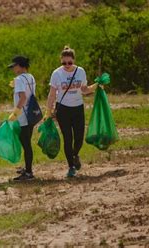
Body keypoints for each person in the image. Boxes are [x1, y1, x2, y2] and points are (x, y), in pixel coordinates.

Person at [45, 46, 99, 178]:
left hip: (78, 108)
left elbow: (84, 90)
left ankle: (75, 155)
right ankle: (71, 166)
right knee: (68, 138)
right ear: (61, 61)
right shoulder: (56, 74)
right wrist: (48, 111)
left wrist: (97, 86)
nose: (67, 65)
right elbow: (52, 94)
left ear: (74, 60)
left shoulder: (80, 71)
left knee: (79, 137)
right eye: (64, 63)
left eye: (69, 62)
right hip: (63, 109)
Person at [7, 55, 37, 181]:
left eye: (14, 66)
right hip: (31, 114)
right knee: (27, 143)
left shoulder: (19, 79)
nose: (13, 69)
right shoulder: (30, 77)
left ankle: (29, 172)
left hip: (23, 116)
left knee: (26, 144)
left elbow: (23, 97)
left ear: (19, 66)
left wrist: (15, 112)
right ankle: (27, 168)